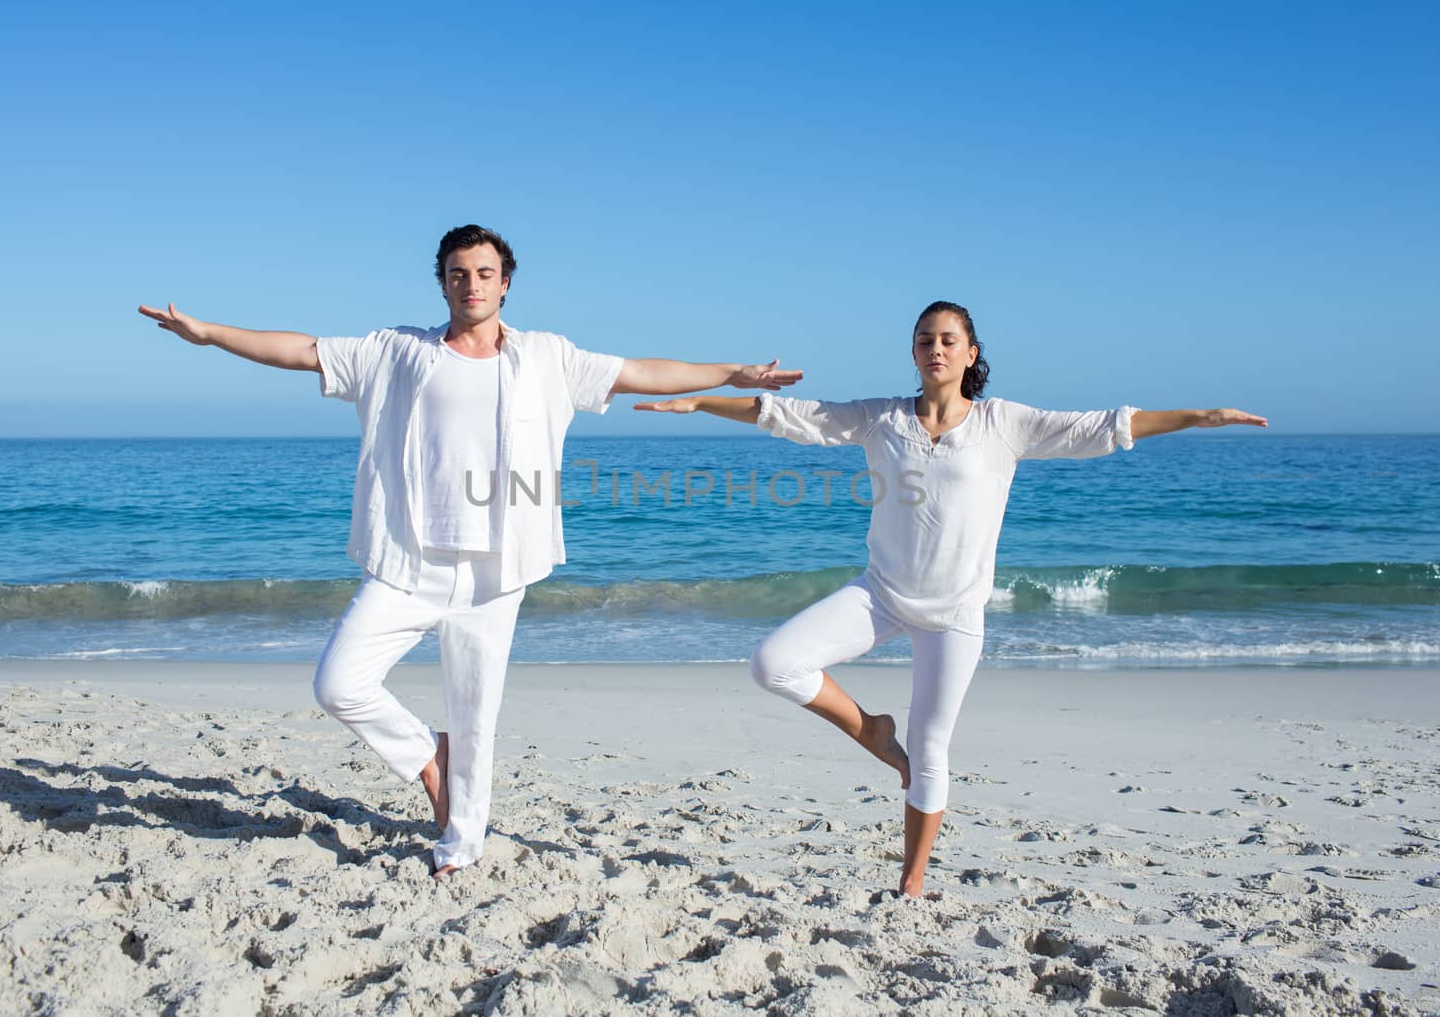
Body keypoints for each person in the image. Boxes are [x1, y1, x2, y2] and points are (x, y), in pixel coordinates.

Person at [138, 224, 801, 878]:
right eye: (459, 273)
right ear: (444, 284)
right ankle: (429, 756)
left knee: (476, 715)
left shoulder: (547, 356)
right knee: (339, 682)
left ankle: (460, 842)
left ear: (505, 284)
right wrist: (209, 334)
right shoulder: (396, 350)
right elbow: (303, 350)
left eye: (484, 273)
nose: (471, 284)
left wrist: (731, 372)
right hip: (409, 558)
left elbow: (639, 371)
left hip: (496, 566)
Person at [635, 300, 1265, 897]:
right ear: (913, 352)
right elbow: (790, 416)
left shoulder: (1004, 424)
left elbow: (1106, 428)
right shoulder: (881, 417)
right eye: (925, 340)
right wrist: (697, 403)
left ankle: (911, 880)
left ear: (970, 354)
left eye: (947, 340)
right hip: (880, 595)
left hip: (956, 615)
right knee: (773, 663)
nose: (935, 348)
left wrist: (1201, 417)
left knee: (931, 752)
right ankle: (871, 729)